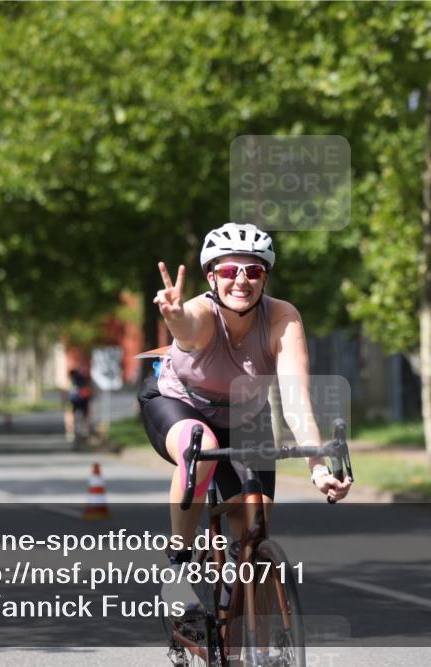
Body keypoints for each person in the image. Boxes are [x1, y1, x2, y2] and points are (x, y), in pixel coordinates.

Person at [138, 222, 353, 611]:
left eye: (252, 271)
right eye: (228, 271)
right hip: (179, 404)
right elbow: (188, 329)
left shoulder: (282, 318)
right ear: (211, 277)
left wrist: (318, 469)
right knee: (198, 444)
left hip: (245, 415)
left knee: (253, 531)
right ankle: (177, 571)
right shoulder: (202, 312)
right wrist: (174, 317)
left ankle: (234, 617)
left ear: (265, 278)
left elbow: (295, 399)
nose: (241, 281)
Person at [65, 367, 93, 443]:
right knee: (85, 414)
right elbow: (90, 392)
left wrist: (64, 401)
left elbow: (65, 391)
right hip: (84, 400)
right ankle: (85, 429)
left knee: (69, 415)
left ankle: (70, 432)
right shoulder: (85, 379)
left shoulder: (70, 380)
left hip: (72, 400)